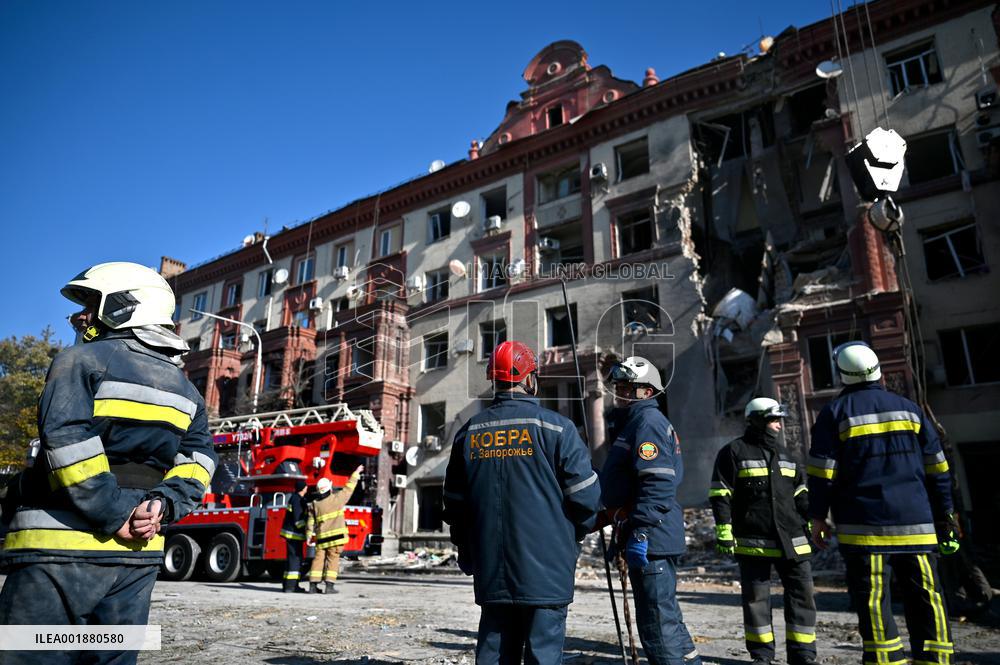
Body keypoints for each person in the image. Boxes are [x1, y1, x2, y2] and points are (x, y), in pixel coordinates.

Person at [0, 262, 217, 665]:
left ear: (123, 308)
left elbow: (67, 441)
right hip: (137, 556)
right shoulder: (187, 389)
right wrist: (162, 506)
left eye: (89, 305)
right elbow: (201, 458)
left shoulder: (80, 361)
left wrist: (111, 511)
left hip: (59, 552)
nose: (79, 317)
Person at [443, 340, 600, 665]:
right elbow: (586, 499)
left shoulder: (469, 433)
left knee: (495, 652)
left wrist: (467, 548)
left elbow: (454, 504)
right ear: (530, 378)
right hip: (548, 568)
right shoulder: (558, 429)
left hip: (492, 568)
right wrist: (575, 536)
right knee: (543, 655)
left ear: (494, 379)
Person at [808, 341, 959, 665]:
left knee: (874, 600)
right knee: (928, 596)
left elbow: (822, 474)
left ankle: (885, 660)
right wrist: (946, 516)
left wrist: (818, 517)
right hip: (917, 526)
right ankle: (936, 659)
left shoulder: (834, 413)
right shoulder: (910, 409)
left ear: (842, 375)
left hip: (865, 530)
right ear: (878, 370)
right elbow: (939, 469)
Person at [601, 356, 701, 665]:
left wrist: (640, 530)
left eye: (625, 388)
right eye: (617, 387)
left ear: (646, 391)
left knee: (657, 624)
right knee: (665, 614)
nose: (618, 394)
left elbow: (658, 485)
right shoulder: (634, 424)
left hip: (652, 538)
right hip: (647, 533)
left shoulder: (648, 424)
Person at [709, 397, 817, 665]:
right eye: (773, 419)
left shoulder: (788, 456)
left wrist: (814, 519)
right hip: (753, 540)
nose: (779, 425)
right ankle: (761, 656)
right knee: (756, 600)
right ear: (756, 420)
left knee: (802, 595)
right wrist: (724, 528)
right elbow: (720, 494)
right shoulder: (733, 452)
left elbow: (801, 493)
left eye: (780, 419)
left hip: (793, 540)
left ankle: (803, 654)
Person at [305, 466, 363, 594]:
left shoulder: (314, 504)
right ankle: (329, 587)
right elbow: (349, 488)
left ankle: (313, 587)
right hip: (336, 538)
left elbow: (310, 521)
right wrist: (356, 473)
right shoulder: (337, 499)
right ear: (329, 488)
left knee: (318, 560)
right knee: (333, 560)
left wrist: (309, 536)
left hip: (321, 539)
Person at [279, 479, 309, 593]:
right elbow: (298, 520)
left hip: (293, 535)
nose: (307, 488)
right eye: (306, 486)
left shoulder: (296, 498)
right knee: (295, 560)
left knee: (292, 560)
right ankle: (291, 587)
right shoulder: (297, 500)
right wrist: (307, 527)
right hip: (294, 535)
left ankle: (288, 585)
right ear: (303, 488)